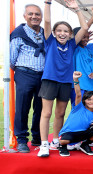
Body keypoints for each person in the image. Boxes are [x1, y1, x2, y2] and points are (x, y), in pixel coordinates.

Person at [37, 0, 89, 157]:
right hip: (50, 81)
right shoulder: (50, 41)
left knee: (60, 114)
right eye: (59, 30)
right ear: (53, 32)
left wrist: (77, 10)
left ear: (70, 34)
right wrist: (47, 3)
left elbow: (85, 28)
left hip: (66, 83)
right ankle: (44, 144)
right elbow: (47, 21)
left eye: (66, 31)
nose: (62, 33)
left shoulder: (72, 44)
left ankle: (55, 141)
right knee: (46, 113)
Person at [10, 4, 45, 153]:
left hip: (43, 76)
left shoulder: (45, 32)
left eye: (37, 14)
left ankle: (37, 137)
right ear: (25, 16)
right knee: (23, 107)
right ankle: (22, 139)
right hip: (25, 73)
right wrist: (22, 70)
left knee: (41, 108)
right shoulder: (18, 33)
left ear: (41, 17)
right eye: (30, 14)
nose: (34, 17)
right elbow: (12, 58)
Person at [58, 71, 93, 157]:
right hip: (70, 133)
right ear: (84, 101)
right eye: (89, 99)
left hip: (83, 134)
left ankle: (84, 144)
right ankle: (62, 146)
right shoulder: (79, 107)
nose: (91, 101)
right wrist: (76, 80)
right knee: (63, 141)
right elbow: (78, 95)